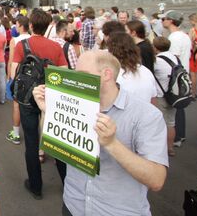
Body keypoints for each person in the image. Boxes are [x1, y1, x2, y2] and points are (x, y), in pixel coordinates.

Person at [33, 50, 168, 216]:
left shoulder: (146, 115)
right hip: (73, 205)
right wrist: (48, 111)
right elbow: (51, 145)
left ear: (106, 74)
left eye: (82, 74)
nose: (76, 79)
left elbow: (156, 180)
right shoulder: (73, 102)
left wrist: (112, 144)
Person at [11, 9, 68, 199]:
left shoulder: (22, 45)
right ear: (48, 26)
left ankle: (36, 186)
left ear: (31, 26)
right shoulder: (56, 47)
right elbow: (64, 74)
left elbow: (14, 74)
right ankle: (68, 184)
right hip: (50, 99)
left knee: (32, 141)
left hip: (28, 100)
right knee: (55, 140)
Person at [161, 10, 191, 146]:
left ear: (171, 21)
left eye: (164, 19)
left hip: (175, 77)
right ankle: (180, 135)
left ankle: (177, 137)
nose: (163, 21)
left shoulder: (175, 38)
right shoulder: (183, 35)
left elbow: (173, 59)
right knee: (178, 107)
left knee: (173, 108)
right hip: (181, 76)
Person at [107, 31, 157, 103]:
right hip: (144, 112)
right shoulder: (146, 72)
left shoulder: (113, 74)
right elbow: (153, 101)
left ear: (111, 51)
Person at [6, 15, 31, 145]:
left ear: (21, 26)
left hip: (18, 75)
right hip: (32, 76)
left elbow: (11, 60)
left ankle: (15, 133)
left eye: (16, 24)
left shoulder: (14, 40)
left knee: (17, 105)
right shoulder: (33, 39)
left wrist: (9, 76)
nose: (15, 26)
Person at [152, 36, 178, 157]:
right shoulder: (175, 58)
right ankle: (170, 147)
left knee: (159, 123)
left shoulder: (157, 61)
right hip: (174, 95)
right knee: (170, 123)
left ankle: (159, 149)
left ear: (156, 48)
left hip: (161, 95)